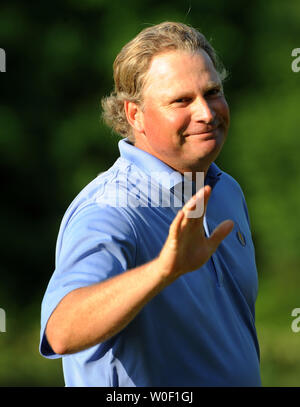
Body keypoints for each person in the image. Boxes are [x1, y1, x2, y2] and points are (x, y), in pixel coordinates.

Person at [40, 21, 261, 387]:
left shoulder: (226, 190)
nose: (206, 113)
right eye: (181, 100)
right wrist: (162, 270)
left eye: (213, 91)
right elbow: (61, 330)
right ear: (134, 114)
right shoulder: (110, 209)